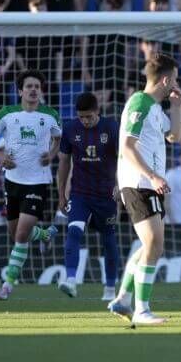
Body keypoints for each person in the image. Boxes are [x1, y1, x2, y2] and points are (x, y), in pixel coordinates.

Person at [106, 53, 181, 325]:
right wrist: (152, 176)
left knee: (149, 245)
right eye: (175, 79)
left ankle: (123, 299)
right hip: (139, 182)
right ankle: (141, 309)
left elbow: (174, 136)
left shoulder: (155, 108)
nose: (176, 84)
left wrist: (177, 107)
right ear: (165, 80)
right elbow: (127, 147)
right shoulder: (139, 102)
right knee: (154, 244)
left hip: (149, 184)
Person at [0, 70, 62, 301]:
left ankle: (7, 286)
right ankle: (45, 235)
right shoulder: (6, 114)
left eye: (37, 86)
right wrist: (1, 157)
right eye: (29, 86)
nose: (33, 90)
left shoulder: (50, 115)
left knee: (21, 234)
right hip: (12, 181)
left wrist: (51, 154)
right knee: (15, 233)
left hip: (38, 182)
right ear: (20, 91)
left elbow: (58, 139)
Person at [55, 92, 120, 301]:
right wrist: (61, 195)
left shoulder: (112, 128)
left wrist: (121, 185)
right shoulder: (70, 128)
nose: (85, 121)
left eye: (89, 117)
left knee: (108, 239)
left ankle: (110, 289)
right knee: (74, 231)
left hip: (106, 194)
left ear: (97, 111)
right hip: (80, 193)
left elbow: (124, 158)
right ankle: (71, 281)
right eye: (81, 117)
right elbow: (64, 163)